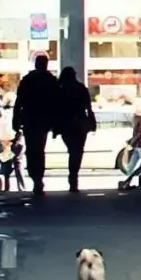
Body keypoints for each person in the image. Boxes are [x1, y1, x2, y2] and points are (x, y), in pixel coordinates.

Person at [12, 54, 63, 199]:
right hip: (43, 120)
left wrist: (16, 119)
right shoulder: (50, 80)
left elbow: (19, 101)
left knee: (33, 150)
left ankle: (36, 177)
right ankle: (38, 179)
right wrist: (56, 123)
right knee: (39, 150)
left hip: (30, 119)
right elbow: (57, 102)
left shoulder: (28, 79)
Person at [57, 65, 95, 192]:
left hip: (65, 124)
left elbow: (55, 107)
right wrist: (91, 120)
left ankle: (73, 176)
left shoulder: (60, 89)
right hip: (80, 124)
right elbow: (88, 106)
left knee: (72, 150)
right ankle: (73, 176)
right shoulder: (80, 88)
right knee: (77, 151)